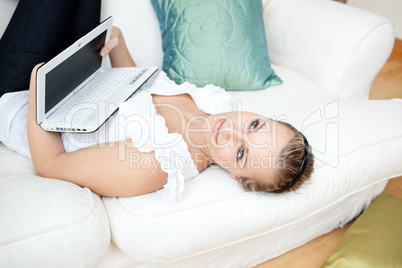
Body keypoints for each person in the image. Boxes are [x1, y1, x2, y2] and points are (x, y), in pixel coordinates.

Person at [0, 0, 314, 202]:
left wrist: (39, 85)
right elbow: (137, 93)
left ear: (236, 176)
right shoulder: (213, 104)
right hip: (74, 72)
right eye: (254, 124)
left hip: (21, 101)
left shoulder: (159, 163)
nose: (230, 132)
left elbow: (50, 165)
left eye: (241, 152)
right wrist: (119, 45)